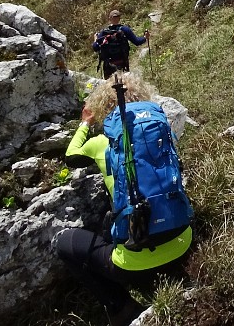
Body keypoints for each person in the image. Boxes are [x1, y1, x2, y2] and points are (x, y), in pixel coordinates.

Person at [55, 71, 193, 326]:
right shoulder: (162, 134)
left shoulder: (100, 143)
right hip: (182, 244)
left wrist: (85, 123)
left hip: (134, 265)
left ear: (104, 108)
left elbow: (71, 155)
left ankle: (121, 307)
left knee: (64, 242)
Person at [92, 10, 147, 79]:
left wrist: (95, 39)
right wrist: (145, 37)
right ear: (119, 18)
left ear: (109, 18)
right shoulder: (124, 29)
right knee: (125, 84)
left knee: (109, 87)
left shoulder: (104, 32)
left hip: (108, 65)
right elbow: (137, 42)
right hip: (122, 62)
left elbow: (95, 47)